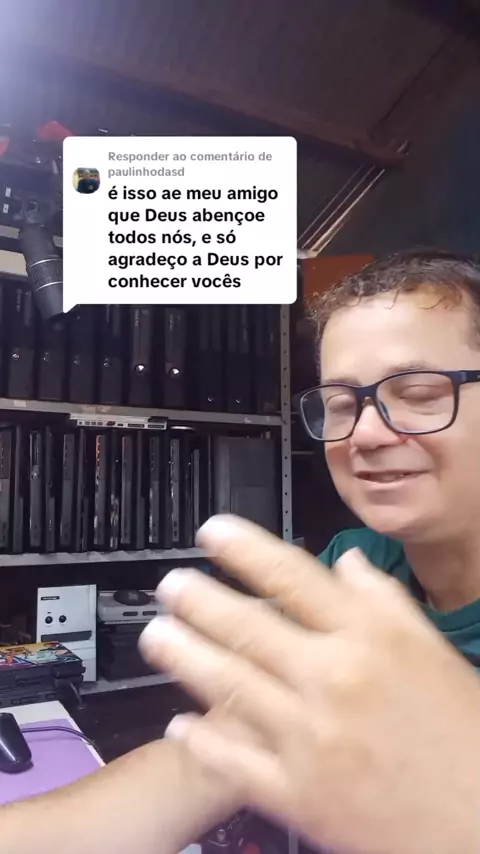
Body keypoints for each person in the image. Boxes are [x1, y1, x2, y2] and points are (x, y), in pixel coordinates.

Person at [139, 251, 480, 854]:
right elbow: (197, 767)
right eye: (343, 405)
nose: (366, 434)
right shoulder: (354, 564)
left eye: (420, 393)